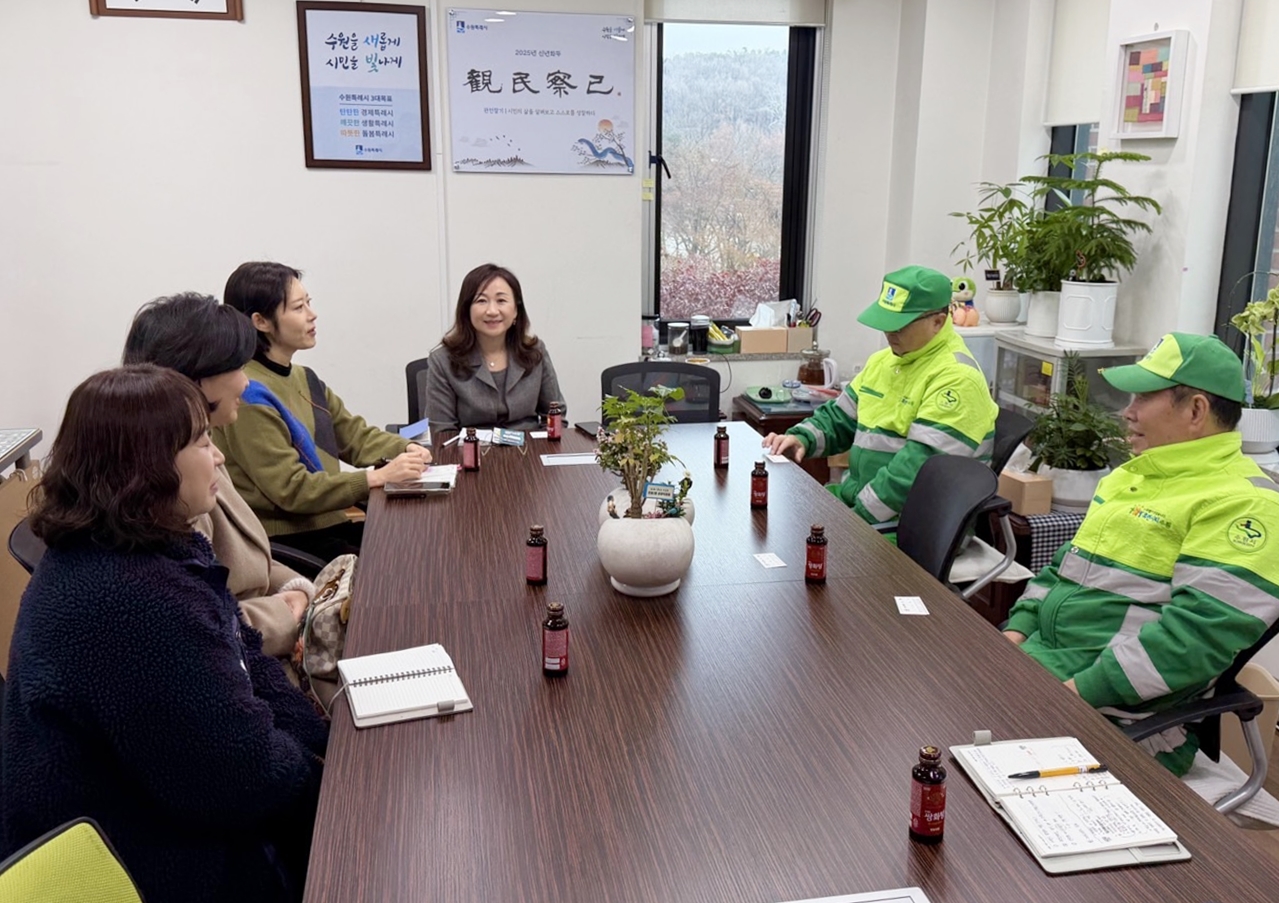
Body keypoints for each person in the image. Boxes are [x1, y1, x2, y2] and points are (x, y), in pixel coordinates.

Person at [1, 365, 327, 903]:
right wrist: (337, 793)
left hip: (175, 821)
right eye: (202, 442)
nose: (218, 455)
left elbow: (247, 659)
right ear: (148, 466)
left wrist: (327, 749)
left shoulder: (157, 549)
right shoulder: (127, 600)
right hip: (140, 864)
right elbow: (240, 776)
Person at [1003, 333, 1279, 776]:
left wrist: (1072, 694)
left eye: (1143, 398)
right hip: (1042, 672)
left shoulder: (1246, 504)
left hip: (1122, 720)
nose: (1126, 412)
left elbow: (1190, 644)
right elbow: (1062, 569)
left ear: (1195, 410)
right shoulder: (1132, 477)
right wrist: (1012, 638)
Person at [123, 292, 314, 670]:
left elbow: (253, 562)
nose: (246, 382)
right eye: (237, 367)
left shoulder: (201, 446)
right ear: (195, 379)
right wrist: (287, 614)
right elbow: (200, 627)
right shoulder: (172, 481)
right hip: (251, 663)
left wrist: (306, 592)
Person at [217, 261, 431, 559]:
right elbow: (292, 490)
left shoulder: (305, 378)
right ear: (261, 321)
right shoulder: (248, 393)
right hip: (291, 539)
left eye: (309, 303)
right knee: (407, 560)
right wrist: (374, 478)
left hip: (327, 523)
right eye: (298, 307)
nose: (312, 314)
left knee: (422, 539)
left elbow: (355, 436)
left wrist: (407, 448)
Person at [763, 265, 997, 524]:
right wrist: (802, 438)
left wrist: (855, 521)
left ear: (938, 322)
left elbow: (914, 473)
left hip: (914, 523)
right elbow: (840, 418)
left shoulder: (957, 379)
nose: (889, 333)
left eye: (899, 326)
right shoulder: (884, 362)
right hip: (862, 503)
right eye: (886, 323)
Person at [425, 263, 565, 436]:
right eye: (481, 301)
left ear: (516, 310)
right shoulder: (443, 360)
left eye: (501, 300)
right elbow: (441, 431)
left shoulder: (535, 351)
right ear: (467, 310)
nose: (492, 311)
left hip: (529, 453)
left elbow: (555, 416)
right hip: (470, 453)